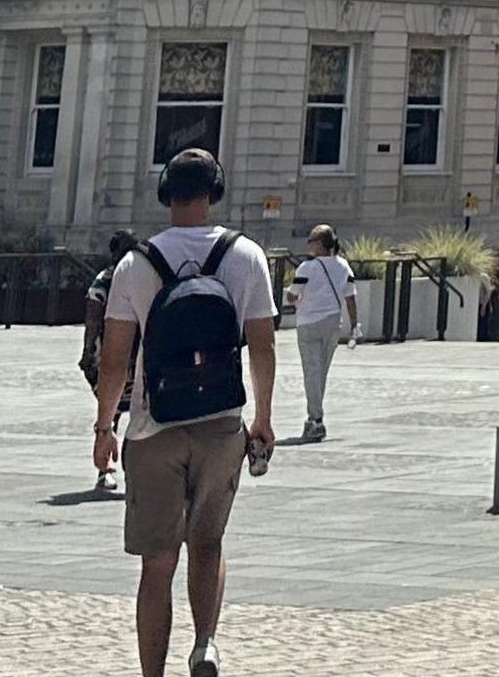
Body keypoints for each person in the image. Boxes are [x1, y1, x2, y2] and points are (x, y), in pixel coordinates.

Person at [92, 149, 278, 677]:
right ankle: (206, 642)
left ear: (164, 194)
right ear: (215, 192)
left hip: (154, 426)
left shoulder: (135, 264)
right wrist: (262, 417)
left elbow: (114, 359)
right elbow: (262, 346)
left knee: (157, 562)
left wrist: (106, 425)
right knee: (208, 541)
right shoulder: (245, 256)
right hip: (222, 421)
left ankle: (153, 672)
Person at [286, 226, 357, 443]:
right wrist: (355, 326)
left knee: (311, 372)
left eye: (311, 240)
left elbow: (291, 296)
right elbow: (350, 297)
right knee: (321, 372)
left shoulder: (306, 268)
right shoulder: (343, 266)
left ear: (319, 244)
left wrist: (296, 300)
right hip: (333, 323)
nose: (308, 245)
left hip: (309, 323)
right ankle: (315, 416)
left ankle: (315, 419)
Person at [82, 232, 141, 493]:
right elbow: (93, 318)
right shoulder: (106, 281)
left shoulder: (132, 277)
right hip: (112, 357)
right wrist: (88, 352)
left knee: (128, 414)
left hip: (137, 358)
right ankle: (104, 469)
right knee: (111, 414)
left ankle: (127, 470)